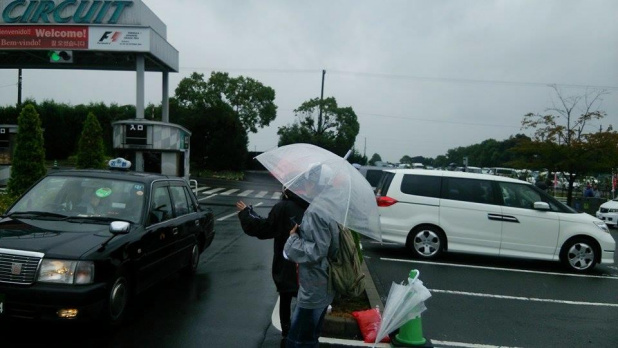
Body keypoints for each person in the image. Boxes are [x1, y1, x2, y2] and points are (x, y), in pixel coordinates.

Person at [236, 188, 309, 347]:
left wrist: (246, 214)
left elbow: (265, 228)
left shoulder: (282, 207)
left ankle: (287, 331)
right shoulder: (313, 207)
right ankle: (301, 330)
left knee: (286, 295)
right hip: (308, 264)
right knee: (305, 298)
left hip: (286, 260)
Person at [283, 166, 340, 348]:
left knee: (298, 339)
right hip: (323, 282)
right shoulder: (329, 207)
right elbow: (332, 247)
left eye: (309, 181)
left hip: (314, 285)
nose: (305, 184)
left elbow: (315, 252)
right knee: (311, 336)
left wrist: (293, 238)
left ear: (317, 185)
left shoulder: (316, 211)